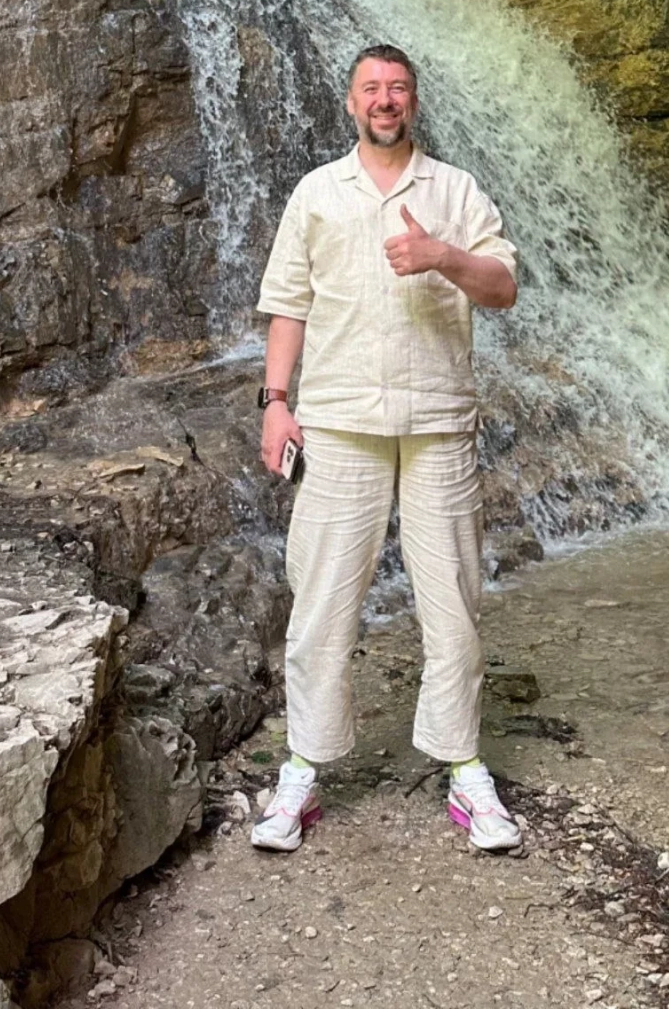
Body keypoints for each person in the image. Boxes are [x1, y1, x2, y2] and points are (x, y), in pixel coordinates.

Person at [252, 44, 521, 853]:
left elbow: (503, 287)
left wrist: (442, 255)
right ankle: (303, 769)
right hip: (338, 421)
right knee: (321, 600)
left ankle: (463, 766)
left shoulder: (456, 190)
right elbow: (289, 304)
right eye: (371, 87)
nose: (385, 99)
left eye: (397, 87)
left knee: (454, 603)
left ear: (413, 102)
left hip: (437, 420)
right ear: (350, 102)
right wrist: (275, 402)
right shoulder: (316, 192)